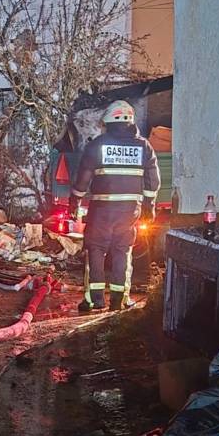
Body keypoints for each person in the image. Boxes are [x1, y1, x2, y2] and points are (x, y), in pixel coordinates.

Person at [69, 100, 160, 312]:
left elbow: (82, 179)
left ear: (108, 122)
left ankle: (94, 300)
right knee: (122, 252)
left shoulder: (98, 145)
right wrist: (149, 205)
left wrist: (75, 201)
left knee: (95, 251)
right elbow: (152, 180)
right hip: (130, 212)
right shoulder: (144, 146)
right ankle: (119, 300)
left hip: (101, 211)